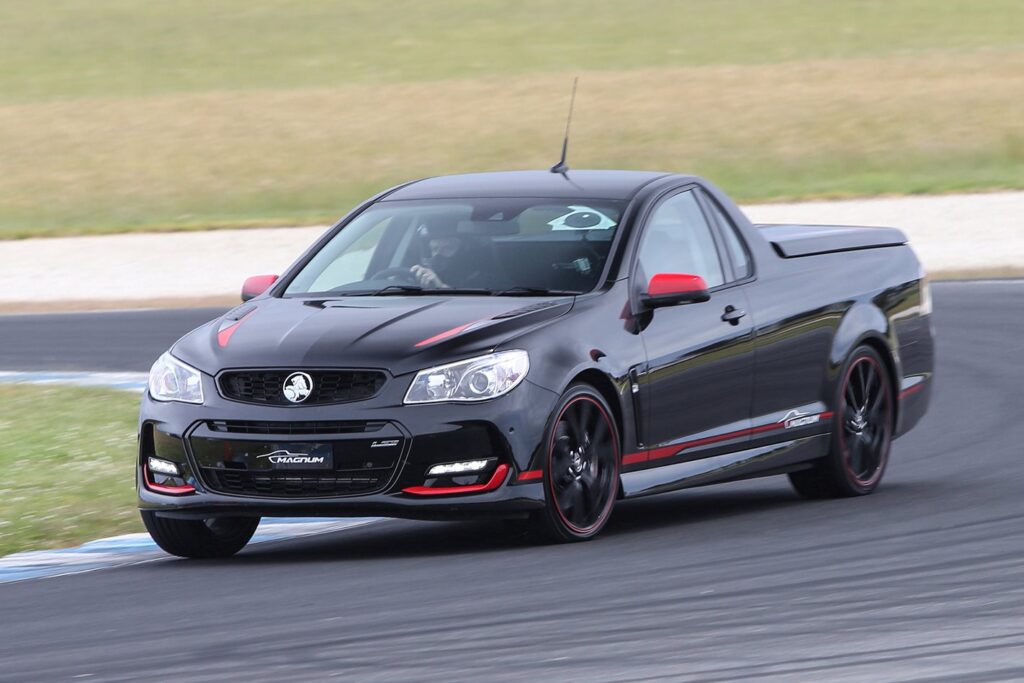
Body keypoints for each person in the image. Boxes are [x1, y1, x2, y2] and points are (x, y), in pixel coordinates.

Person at [409, 221, 487, 289]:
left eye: (447, 248)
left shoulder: (479, 278)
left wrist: (441, 287)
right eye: (434, 249)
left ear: (462, 251)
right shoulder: (422, 275)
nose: (438, 254)